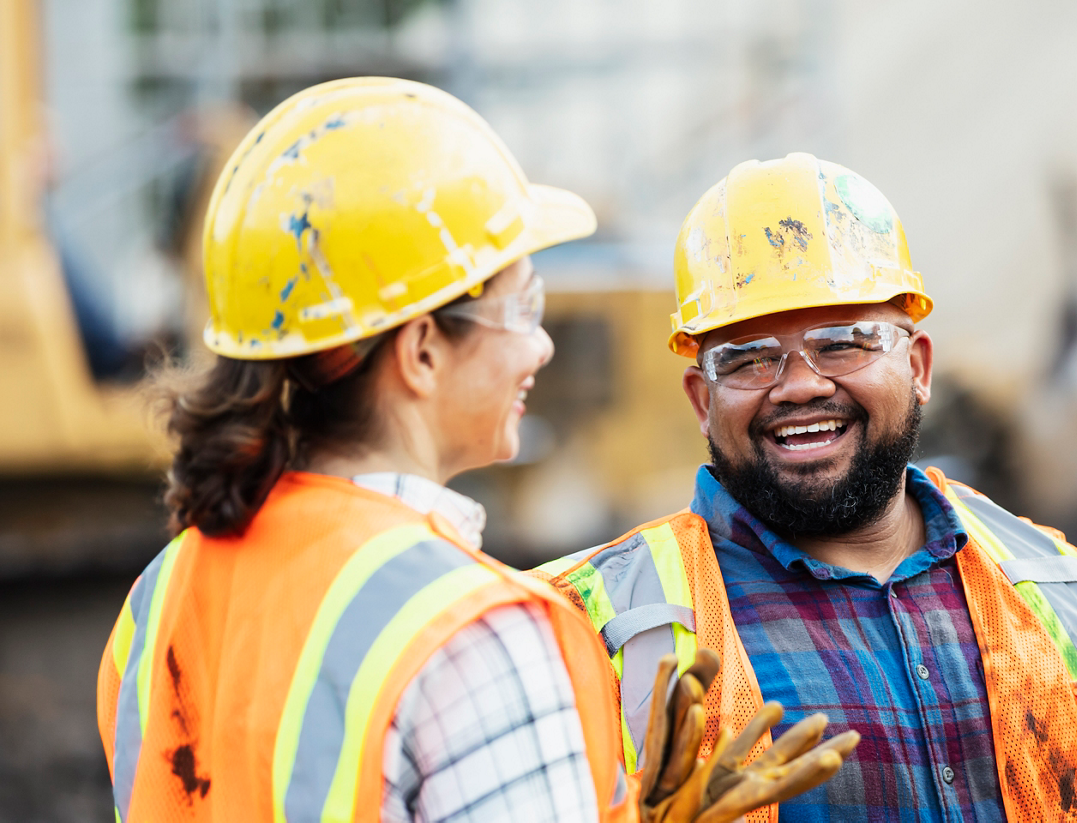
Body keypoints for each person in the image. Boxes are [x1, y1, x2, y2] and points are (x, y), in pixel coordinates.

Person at [94, 83, 855, 823]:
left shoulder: (159, 596)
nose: (542, 342)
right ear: (422, 350)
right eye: (522, 307)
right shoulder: (482, 631)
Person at [534, 153, 1077, 822]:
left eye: (844, 342)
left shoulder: (1068, 593)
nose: (799, 385)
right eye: (749, 357)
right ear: (701, 401)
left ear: (918, 366)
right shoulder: (582, 630)